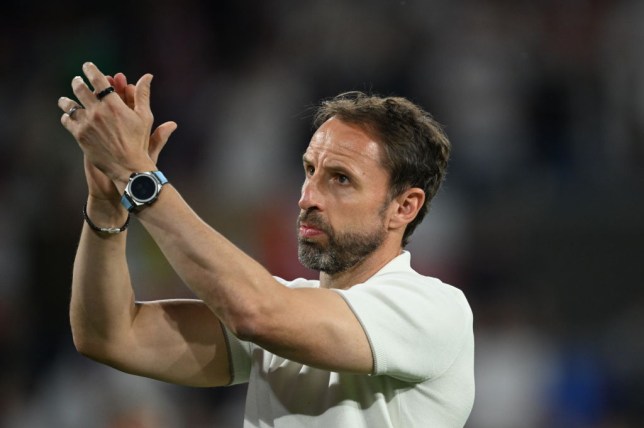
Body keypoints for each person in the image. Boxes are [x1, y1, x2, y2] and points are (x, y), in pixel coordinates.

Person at [58, 62, 474, 427]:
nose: (308, 196)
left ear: (404, 207)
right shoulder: (287, 308)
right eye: (310, 170)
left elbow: (255, 312)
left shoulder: (432, 309)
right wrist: (108, 201)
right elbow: (108, 336)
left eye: (341, 179)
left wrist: (138, 175)